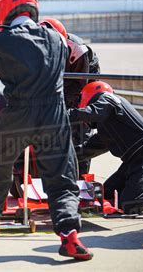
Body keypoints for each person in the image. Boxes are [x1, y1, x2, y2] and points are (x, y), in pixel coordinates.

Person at [0, 0, 92, 260]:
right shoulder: (57, 38)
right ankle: (69, 237)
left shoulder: (1, 39)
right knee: (62, 176)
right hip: (53, 113)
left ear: (3, 8)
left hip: (17, 112)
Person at [69, 81, 143, 214]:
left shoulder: (108, 98)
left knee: (130, 204)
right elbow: (88, 149)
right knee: (105, 193)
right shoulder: (106, 126)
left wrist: (64, 115)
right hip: (132, 162)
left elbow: (95, 112)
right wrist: (66, 155)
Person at [39, 17, 101, 174]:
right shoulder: (36, 48)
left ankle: (82, 173)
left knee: (80, 122)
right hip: (60, 77)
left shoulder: (78, 51)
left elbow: (79, 88)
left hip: (82, 77)